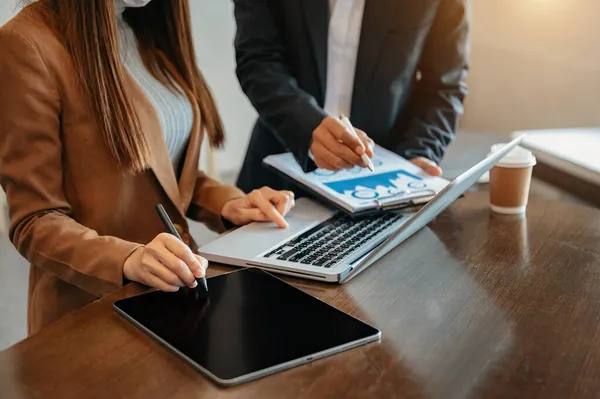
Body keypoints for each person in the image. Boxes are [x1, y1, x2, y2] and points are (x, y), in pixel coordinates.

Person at [0, 0, 295, 335]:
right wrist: (127, 259)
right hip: (92, 316)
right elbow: (35, 220)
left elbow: (163, 169)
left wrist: (227, 203)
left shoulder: (146, 24)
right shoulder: (25, 44)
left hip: (177, 297)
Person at [234, 0, 470, 193]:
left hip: (385, 183)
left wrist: (420, 153)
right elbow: (257, 61)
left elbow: (444, 85)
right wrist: (307, 126)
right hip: (279, 172)